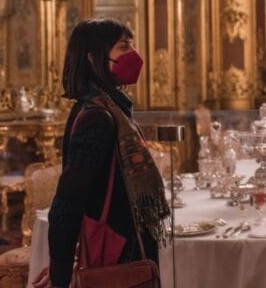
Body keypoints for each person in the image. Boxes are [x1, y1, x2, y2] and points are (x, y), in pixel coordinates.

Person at [33, 19, 169, 288]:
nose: (133, 53)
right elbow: (68, 202)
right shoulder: (98, 118)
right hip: (117, 253)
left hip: (122, 248)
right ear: (94, 58)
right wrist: (61, 275)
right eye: (123, 46)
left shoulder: (107, 108)